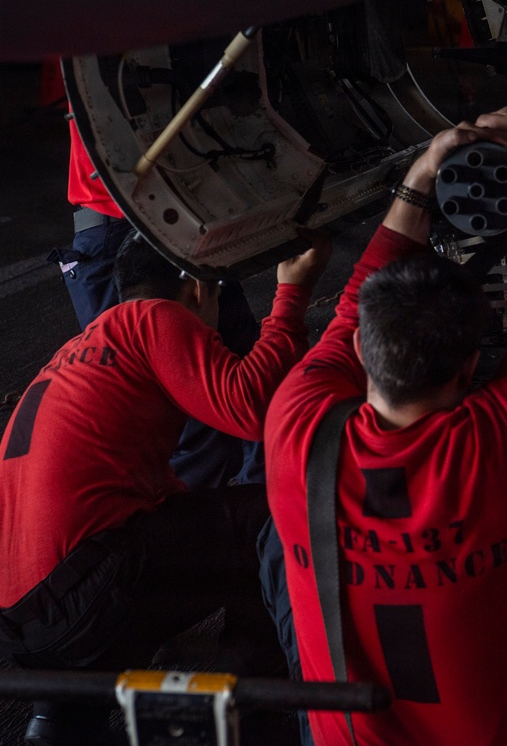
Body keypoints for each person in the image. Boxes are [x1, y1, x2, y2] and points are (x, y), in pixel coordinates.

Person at [265, 107, 507, 745]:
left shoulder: (293, 427)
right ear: (470, 369)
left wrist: (420, 176)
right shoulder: (506, 444)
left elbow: (354, 306)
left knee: (271, 545)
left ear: (360, 350)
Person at [0, 232, 331, 745]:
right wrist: (291, 296)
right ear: (199, 288)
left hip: (27, 628)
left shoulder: (78, 349)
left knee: (202, 527)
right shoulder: (155, 316)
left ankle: (60, 720)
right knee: (276, 515)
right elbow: (250, 408)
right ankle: (256, 709)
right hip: (86, 598)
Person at [48, 114, 266, 487]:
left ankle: (263, 507)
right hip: (138, 218)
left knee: (244, 385)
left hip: (175, 210)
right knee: (195, 415)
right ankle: (223, 516)